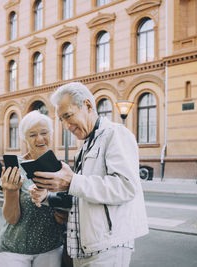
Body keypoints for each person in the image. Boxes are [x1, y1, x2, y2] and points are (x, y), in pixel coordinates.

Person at [30, 82, 149, 267]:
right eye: (61, 119)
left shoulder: (115, 134)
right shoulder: (86, 146)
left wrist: (72, 181)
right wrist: (47, 196)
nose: (66, 126)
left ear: (87, 105)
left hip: (108, 248)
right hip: (85, 249)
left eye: (68, 116)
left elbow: (126, 187)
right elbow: (81, 196)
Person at [0, 111, 66, 267]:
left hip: (50, 249)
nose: (40, 139)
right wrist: (12, 191)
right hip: (14, 250)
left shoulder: (63, 171)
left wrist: (54, 202)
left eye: (44, 132)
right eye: (32, 134)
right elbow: (11, 218)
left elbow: (63, 219)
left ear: (52, 134)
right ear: (24, 139)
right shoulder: (15, 169)